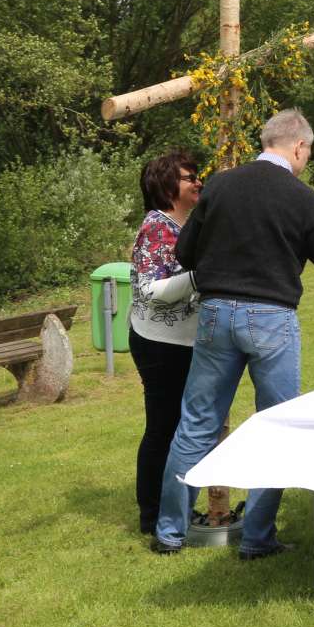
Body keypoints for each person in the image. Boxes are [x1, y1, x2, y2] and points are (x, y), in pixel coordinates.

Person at [154, 109, 314, 557]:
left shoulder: (220, 184)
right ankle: (256, 539)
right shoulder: (300, 197)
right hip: (270, 319)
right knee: (276, 426)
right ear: (298, 147)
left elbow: (185, 251)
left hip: (215, 315)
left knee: (195, 424)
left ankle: (169, 533)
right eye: (308, 152)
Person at [128, 151, 201, 535]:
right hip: (159, 344)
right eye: (191, 177)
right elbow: (151, 290)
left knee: (174, 425)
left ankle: (176, 508)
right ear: (168, 185)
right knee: (163, 426)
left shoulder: (181, 224)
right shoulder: (158, 227)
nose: (199, 182)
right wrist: (200, 277)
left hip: (179, 342)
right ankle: (153, 513)